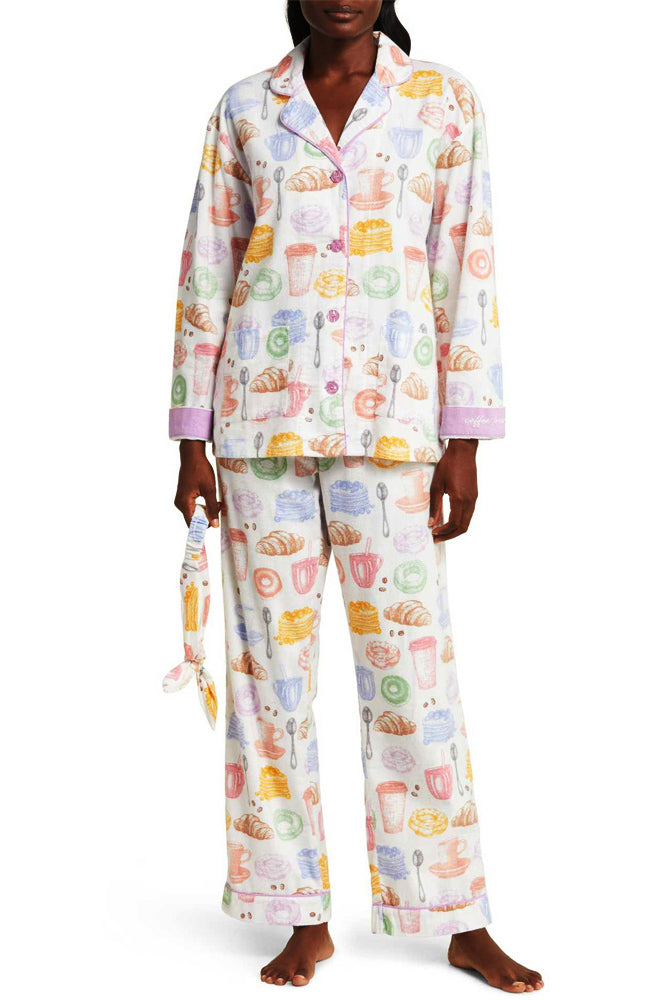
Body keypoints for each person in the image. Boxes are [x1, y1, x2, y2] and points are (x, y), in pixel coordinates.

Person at [170, 0, 542, 992]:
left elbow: (466, 265)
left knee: (411, 676)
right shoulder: (246, 107)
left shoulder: (443, 103)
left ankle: (453, 913)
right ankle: (297, 911)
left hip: (394, 428)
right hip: (259, 427)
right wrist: (190, 437)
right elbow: (208, 266)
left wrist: (466, 439)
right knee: (268, 680)